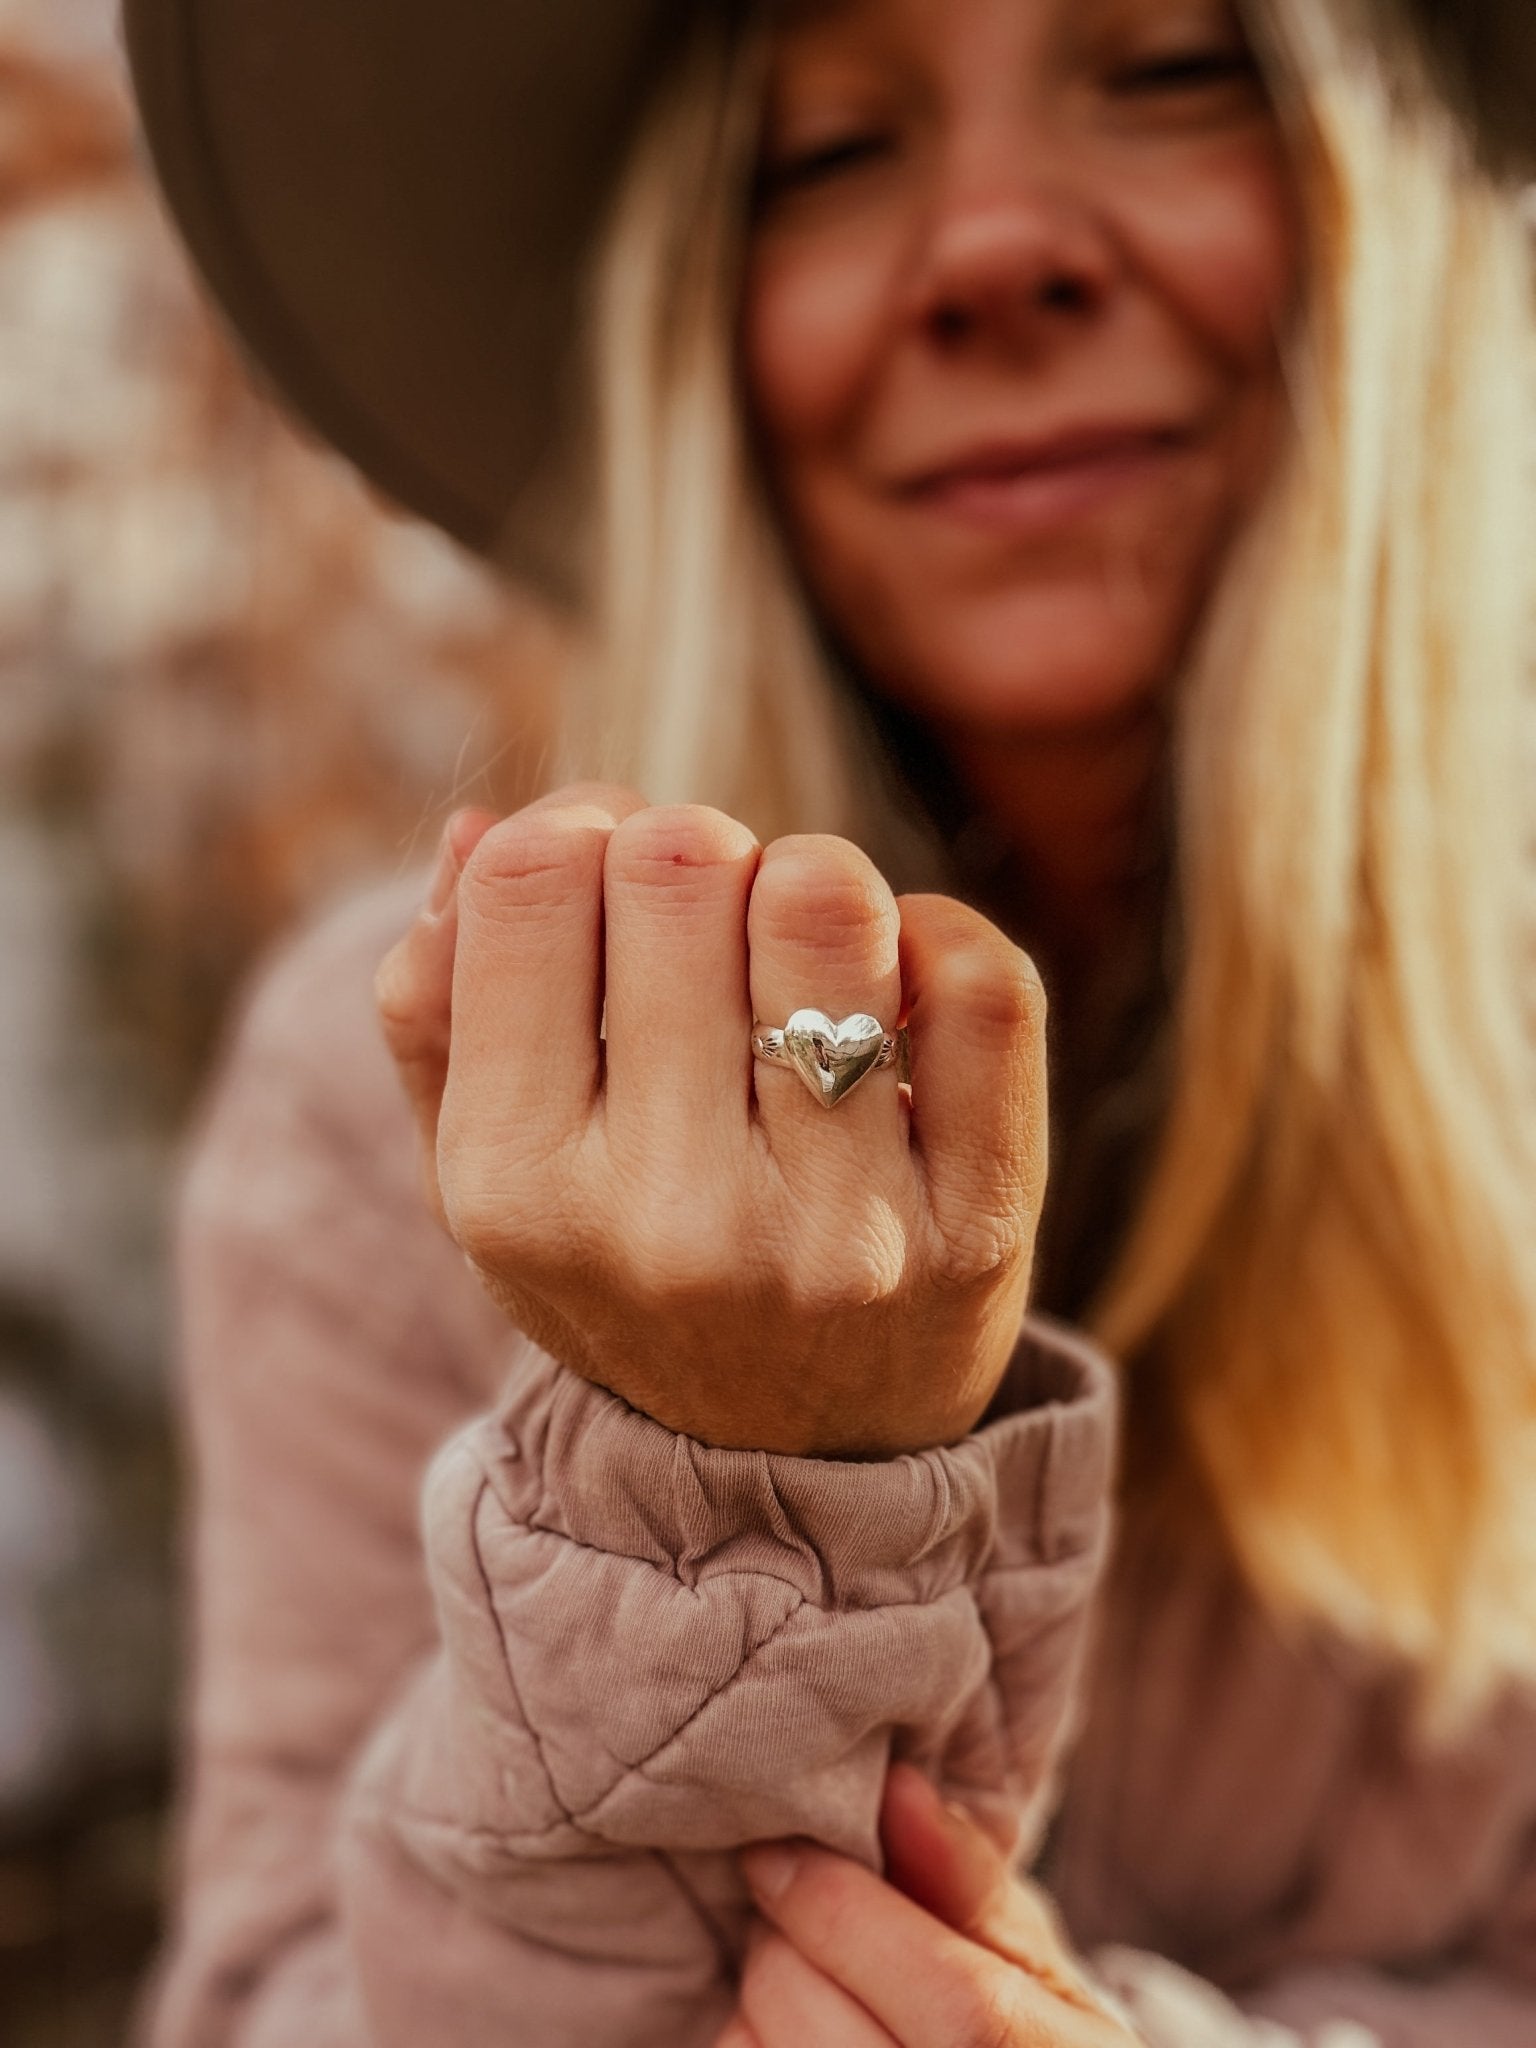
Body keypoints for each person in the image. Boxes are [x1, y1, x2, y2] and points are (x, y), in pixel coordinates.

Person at [123, 0, 1536, 2042]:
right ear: (700, 342)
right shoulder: (382, 1099)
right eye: (827, 157)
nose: (992, 251)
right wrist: (713, 1484)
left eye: (1167, 73)